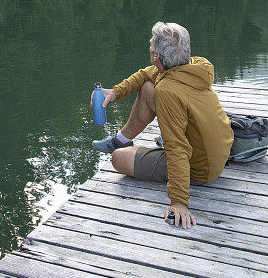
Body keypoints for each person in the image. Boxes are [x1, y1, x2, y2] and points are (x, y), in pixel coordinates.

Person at [91, 21, 234, 230]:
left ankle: (121, 146)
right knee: (148, 86)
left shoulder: (168, 91)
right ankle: (121, 139)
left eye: (151, 47)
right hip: (217, 154)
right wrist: (115, 92)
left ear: (156, 56)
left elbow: (177, 148)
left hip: (200, 168)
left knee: (119, 159)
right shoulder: (194, 65)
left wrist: (179, 202)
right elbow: (145, 74)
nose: (149, 49)